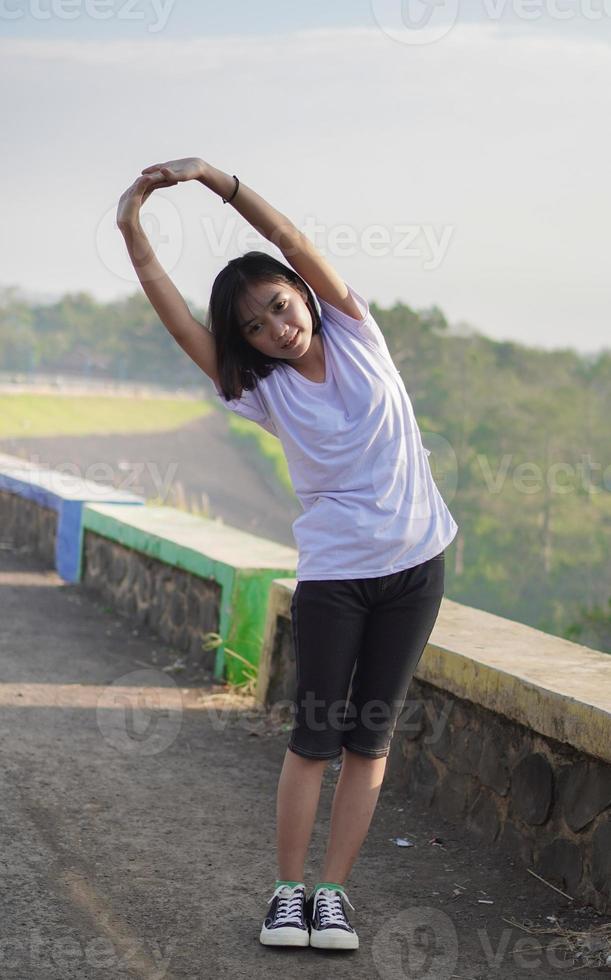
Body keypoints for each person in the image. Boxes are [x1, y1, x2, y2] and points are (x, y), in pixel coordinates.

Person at [117, 157, 458, 953]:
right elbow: (177, 321)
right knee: (314, 738)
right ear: (246, 344)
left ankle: (333, 895)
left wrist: (214, 180)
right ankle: (286, 893)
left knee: (369, 739)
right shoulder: (263, 390)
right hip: (335, 579)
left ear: (299, 292)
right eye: (256, 327)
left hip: (416, 568)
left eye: (279, 305)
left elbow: (287, 237)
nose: (277, 327)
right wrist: (134, 233)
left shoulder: (354, 327)